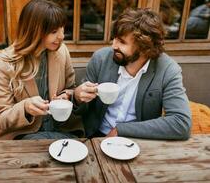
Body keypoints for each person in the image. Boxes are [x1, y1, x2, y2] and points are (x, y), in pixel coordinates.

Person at [74, 8, 191, 140]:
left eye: (122, 42)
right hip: (95, 136)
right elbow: (83, 110)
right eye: (115, 39)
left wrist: (122, 130)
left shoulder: (168, 70)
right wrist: (77, 98)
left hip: (138, 139)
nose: (114, 45)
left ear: (144, 47)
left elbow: (181, 123)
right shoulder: (101, 58)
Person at [0, 0, 84, 140]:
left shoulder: (62, 51)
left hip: (61, 131)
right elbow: (1, 118)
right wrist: (25, 107)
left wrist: (67, 95)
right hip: (23, 135)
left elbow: (71, 88)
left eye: (62, 28)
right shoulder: (3, 62)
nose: (61, 36)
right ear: (34, 32)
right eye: (54, 31)